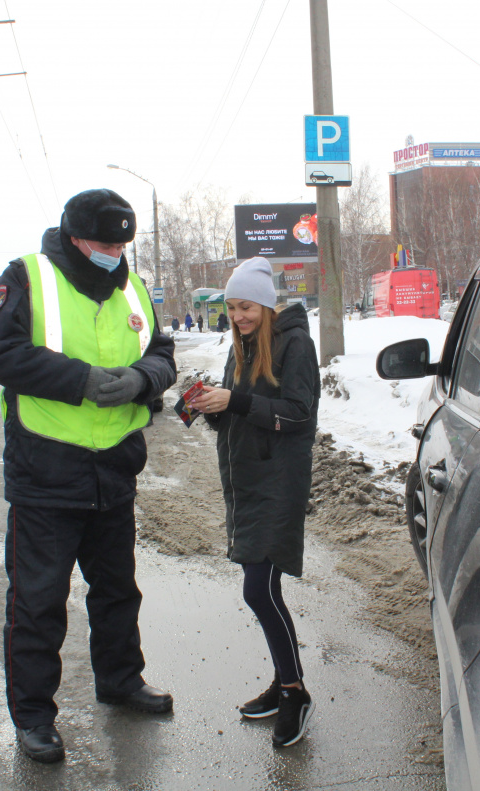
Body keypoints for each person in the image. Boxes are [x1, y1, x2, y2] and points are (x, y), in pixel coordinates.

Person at [0, 188, 177, 765]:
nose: (114, 252)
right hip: (46, 474)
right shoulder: (27, 277)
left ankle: (121, 679)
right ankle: (34, 717)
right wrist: (81, 380)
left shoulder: (132, 286)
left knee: (117, 592)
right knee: (38, 603)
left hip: (113, 469)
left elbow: (161, 351)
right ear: (73, 236)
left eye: (121, 243)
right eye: (104, 242)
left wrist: (143, 380)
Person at [188, 257, 321, 748]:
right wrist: (210, 406)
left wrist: (238, 402)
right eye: (232, 308)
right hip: (244, 480)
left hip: (278, 481)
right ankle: (283, 681)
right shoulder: (241, 345)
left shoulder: (296, 343)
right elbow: (236, 411)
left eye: (245, 307)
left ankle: (295, 692)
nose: (238, 316)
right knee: (261, 589)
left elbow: (299, 415)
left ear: (266, 304)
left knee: (259, 590)